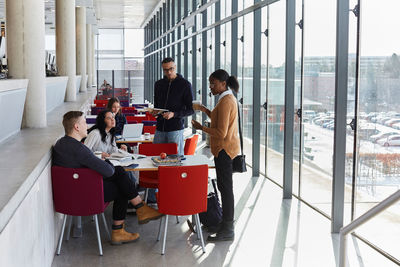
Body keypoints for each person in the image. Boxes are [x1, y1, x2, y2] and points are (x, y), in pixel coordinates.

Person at [53, 111, 163, 245]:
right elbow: (109, 171)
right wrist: (103, 161)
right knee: (120, 183)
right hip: (84, 195)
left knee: (119, 175)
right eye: (84, 123)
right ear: (76, 127)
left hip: (68, 195)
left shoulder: (60, 144)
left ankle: (139, 209)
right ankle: (122, 227)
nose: (87, 126)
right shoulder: (79, 149)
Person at [191, 69, 240, 242]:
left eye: (213, 83)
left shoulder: (226, 101)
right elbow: (219, 119)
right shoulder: (225, 98)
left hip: (225, 151)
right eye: (210, 83)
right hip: (225, 150)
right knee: (224, 188)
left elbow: (220, 131)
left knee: (226, 189)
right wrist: (205, 110)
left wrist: (201, 128)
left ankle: (227, 229)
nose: (210, 86)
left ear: (223, 84)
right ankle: (225, 225)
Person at [152, 57, 194, 156]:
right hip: (159, 128)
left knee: (176, 159)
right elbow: (157, 105)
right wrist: (155, 112)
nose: (169, 72)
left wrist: (174, 114)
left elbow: (191, 110)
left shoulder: (185, 85)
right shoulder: (158, 84)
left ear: (175, 67)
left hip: (175, 129)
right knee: (155, 157)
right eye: (166, 70)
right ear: (163, 69)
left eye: (171, 69)